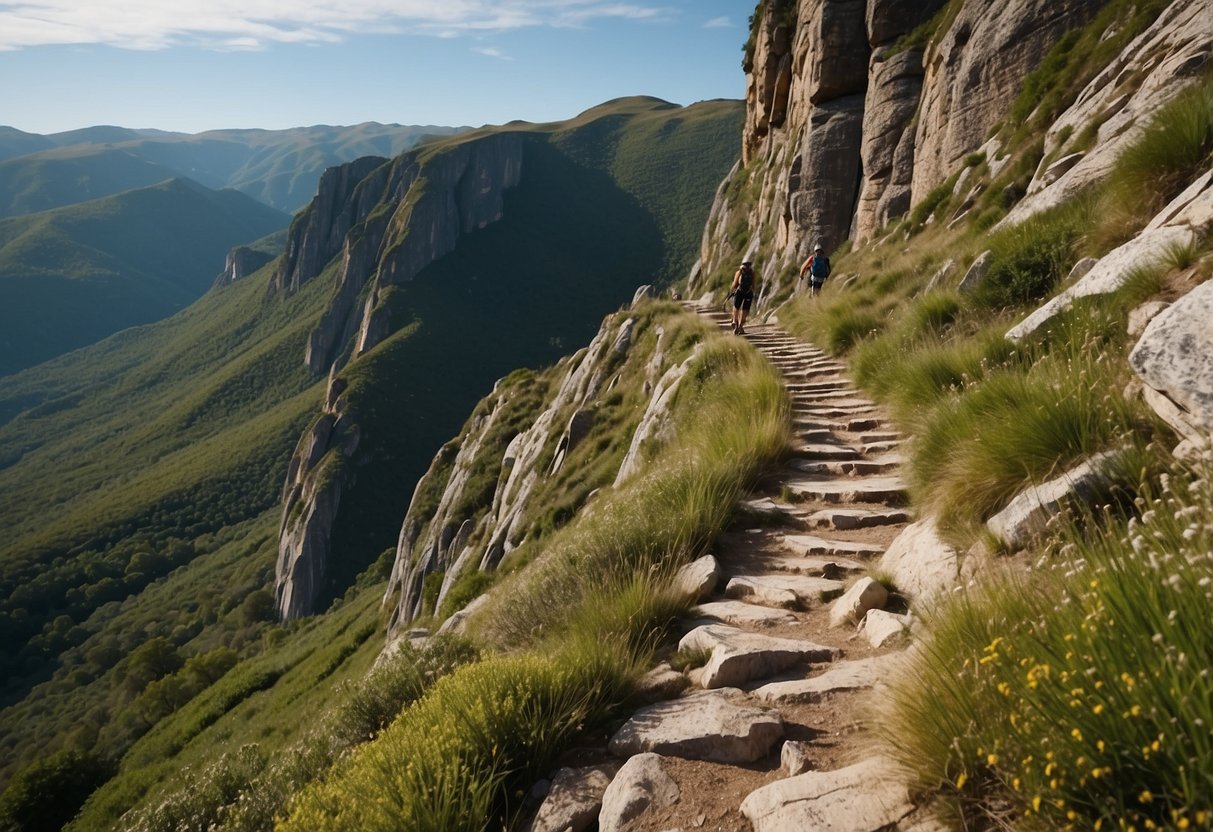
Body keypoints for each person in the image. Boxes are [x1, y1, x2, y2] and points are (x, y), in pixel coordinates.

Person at [730, 260, 756, 334]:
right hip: (748, 292)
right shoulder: (752, 273)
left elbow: (735, 284)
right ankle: (741, 325)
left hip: (739, 292)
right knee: (745, 309)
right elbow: (753, 285)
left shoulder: (739, 272)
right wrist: (752, 291)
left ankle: (735, 322)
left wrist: (733, 290)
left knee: (736, 307)